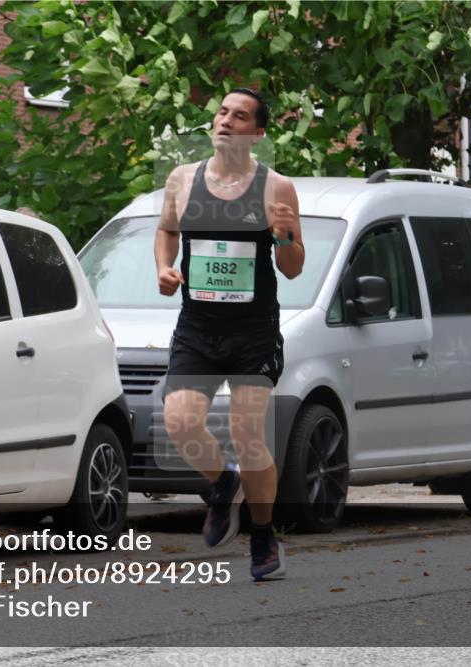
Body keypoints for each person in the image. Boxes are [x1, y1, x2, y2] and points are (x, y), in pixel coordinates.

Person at [155, 87, 304, 581]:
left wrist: (283, 235)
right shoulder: (183, 179)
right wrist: (165, 267)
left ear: (257, 133)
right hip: (197, 326)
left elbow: (294, 268)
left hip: (252, 331)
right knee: (179, 422)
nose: (226, 121)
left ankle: (262, 535)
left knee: (246, 433)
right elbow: (168, 230)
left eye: (240, 117)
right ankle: (223, 484)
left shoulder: (275, 187)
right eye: (222, 112)